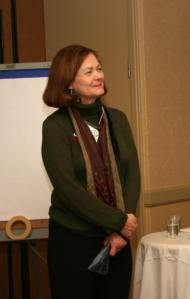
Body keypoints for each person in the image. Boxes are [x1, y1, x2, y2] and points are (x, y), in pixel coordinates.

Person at [42, 45, 141, 298]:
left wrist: (121, 231)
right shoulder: (55, 127)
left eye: (99, 68)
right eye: (88, 71)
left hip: (117, 243)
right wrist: (119, 222)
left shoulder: (117, 119)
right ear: (69, 82)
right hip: (74, 244)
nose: (99, 75)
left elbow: (132, 174)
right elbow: (68, 189)